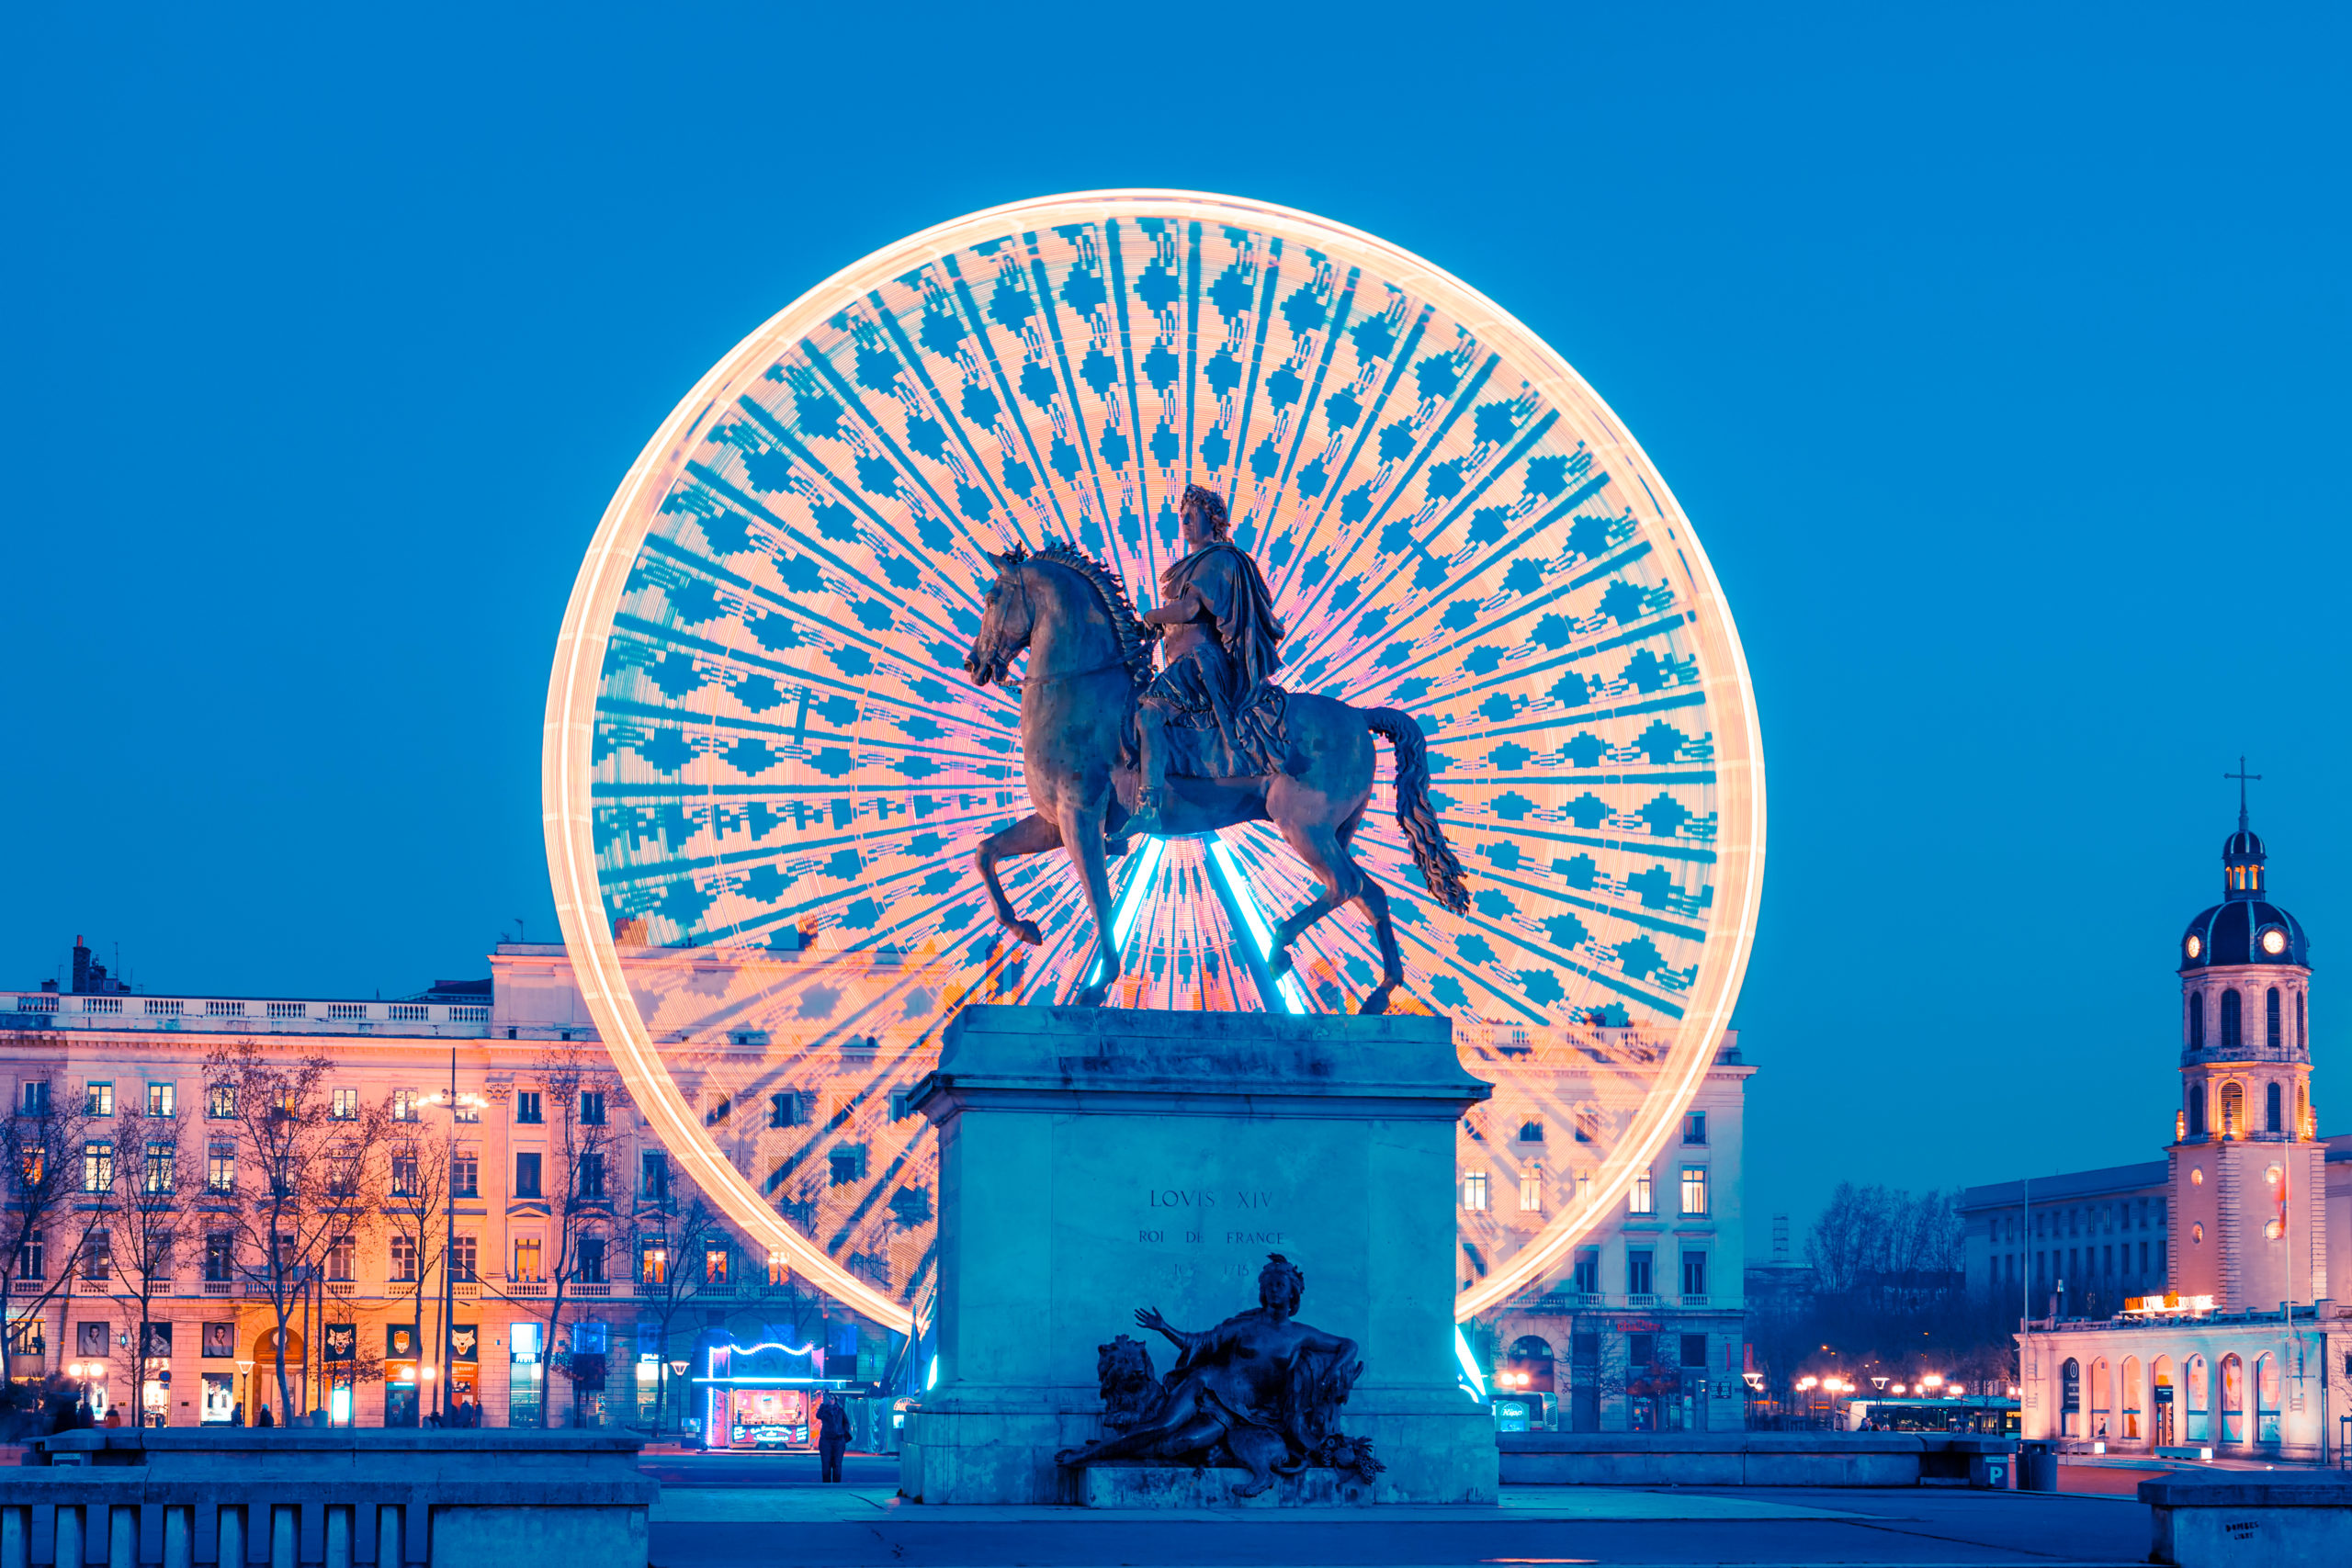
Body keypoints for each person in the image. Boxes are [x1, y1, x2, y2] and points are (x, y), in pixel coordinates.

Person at [1123, 484, 1286, 836]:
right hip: (1183, 663)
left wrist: (1152, 615)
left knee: (1149, 715)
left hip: (1202, 664)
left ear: (1212, 520)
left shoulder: (1218, 559)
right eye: (1181, 517)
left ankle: (1149, 805)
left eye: (1191, 516)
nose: (1184, 523)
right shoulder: (1196, 563)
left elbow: (1192, 609)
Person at [815, 1393, 850, 1483]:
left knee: (837, 1464)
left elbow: (846, 1422)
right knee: (826, 1464)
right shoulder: (824, 1410)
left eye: (832, 1398)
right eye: (828, 1398)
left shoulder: (840, 1410)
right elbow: (818, 1416)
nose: (830, 1400)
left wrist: (843, 1432)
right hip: (826, 1440)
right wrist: (823, 1406)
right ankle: (826, 1485)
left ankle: (837, 1485)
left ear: (835, 1400)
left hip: (838, 1440)